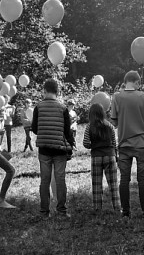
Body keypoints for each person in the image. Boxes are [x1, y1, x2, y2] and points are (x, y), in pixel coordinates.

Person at [110, 71, 144, 220]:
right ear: (137, 82)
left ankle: (126, 212)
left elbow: (114, 122)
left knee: (124, 179)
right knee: (142, 179)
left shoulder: (116, 97)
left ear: (125, 82)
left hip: (124, 144)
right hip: (142, 143)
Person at [32, 78, 76, 218]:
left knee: (44, 180)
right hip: (59, 149)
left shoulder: (38, 107)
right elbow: (67, 131)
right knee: (60, 179)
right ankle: (61, 210)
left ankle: (44, 211)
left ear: (44, 90)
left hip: (44, 149)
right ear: (57, 92)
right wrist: (71, 146)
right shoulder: (63, 108)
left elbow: (34, 128)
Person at [83, 103, 120, 212]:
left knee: (96, 184)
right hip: (110, 155)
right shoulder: (109, 125)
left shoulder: (89, 126)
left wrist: (92, 146)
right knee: (113, 184)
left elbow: (85, 143)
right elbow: (114, 143)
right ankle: (117, 207)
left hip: (96, 156)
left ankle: (97, 208)